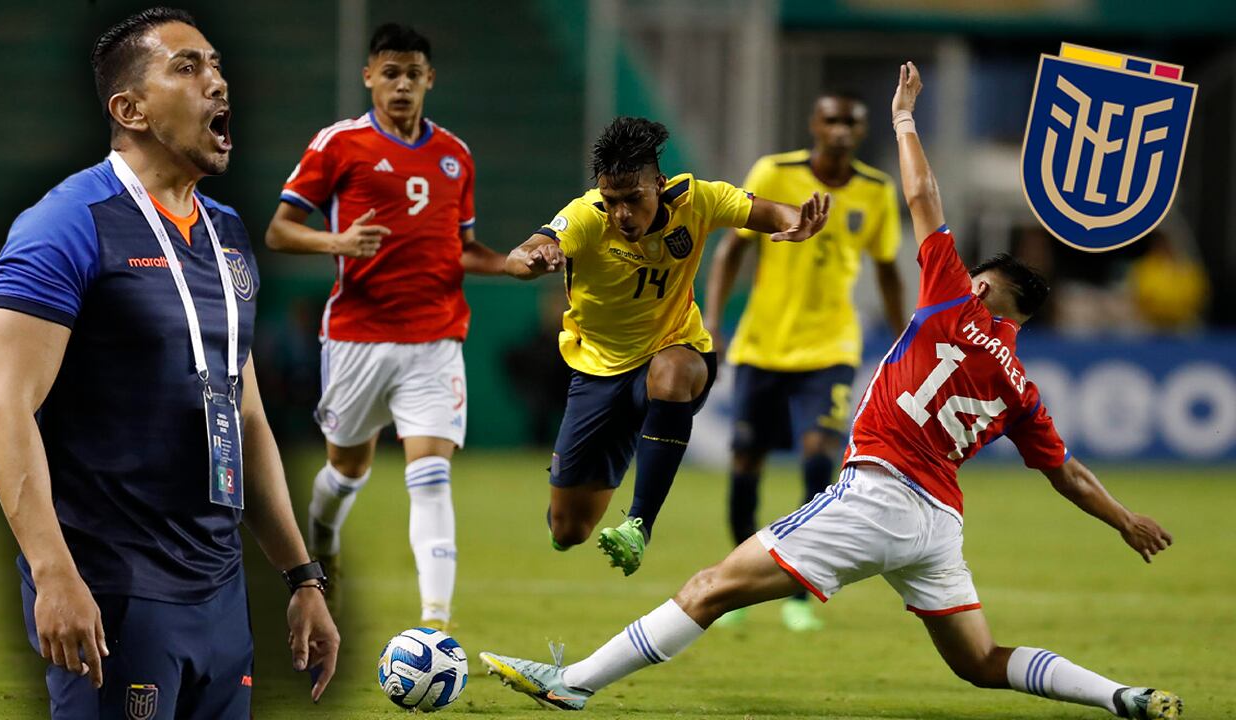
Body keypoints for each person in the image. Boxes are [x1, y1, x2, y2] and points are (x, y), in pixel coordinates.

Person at [478, 63, 1182, 720]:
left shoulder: (948, 302)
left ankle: (571, 684)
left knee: (709, 589)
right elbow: (1069, 473)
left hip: (876, 495)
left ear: (985, 289)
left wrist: (904, 120)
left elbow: (920, 196)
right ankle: (1122, 696)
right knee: (981, 662)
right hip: (939, 526)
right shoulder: (1021, 386)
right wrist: (1126, 521)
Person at [0, 8, 339, 717]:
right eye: (188, 67)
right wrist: (54, 575)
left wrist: (302, 578)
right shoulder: (66, 224)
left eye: (216, 65)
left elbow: (247, 414)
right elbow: (0, 405)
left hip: (220, 591)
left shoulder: (228, 234)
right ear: (129, 109)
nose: (218, 82)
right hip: (113, 590)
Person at [504, 116, 830, 576]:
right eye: (612, 201)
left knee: (673, 372)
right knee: (568, 529)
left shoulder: (695, 199)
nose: (622, 213)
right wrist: (535, 259)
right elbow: (518, 256)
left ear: (658, 183)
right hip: (599, 371)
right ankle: (578, 502)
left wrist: (798, 221)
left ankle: (638, 524)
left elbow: (766, 211)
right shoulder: (584, 216)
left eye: (633, 199)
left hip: (676, 350)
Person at [266, 23, 505, 629]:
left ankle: (436, 627)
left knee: (430, 475)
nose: (401, 85)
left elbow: (465, 248)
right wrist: (338, 240)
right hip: (357, 337)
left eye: (412, 74)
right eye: (389, 73)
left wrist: (513, 266)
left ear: (429, 79)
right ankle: (322, 536)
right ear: (369, 76)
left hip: (435, 339)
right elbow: (279, 229)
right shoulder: (339, 144)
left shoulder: (455, 155)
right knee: (347, 470)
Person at [703, 91, 906, 632]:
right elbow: (733, 250)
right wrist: (715, 322)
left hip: (831, 346)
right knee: (746, 458)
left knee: (820, 455)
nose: (841, 128)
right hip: (763, 344)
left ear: (861, 131)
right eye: (832, 118)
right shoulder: (774, 172)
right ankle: (738, 586)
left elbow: (887, 267)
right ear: (815, 124)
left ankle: (797, 589)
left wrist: (905, 336)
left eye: (851, 121)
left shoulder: (877, 191)